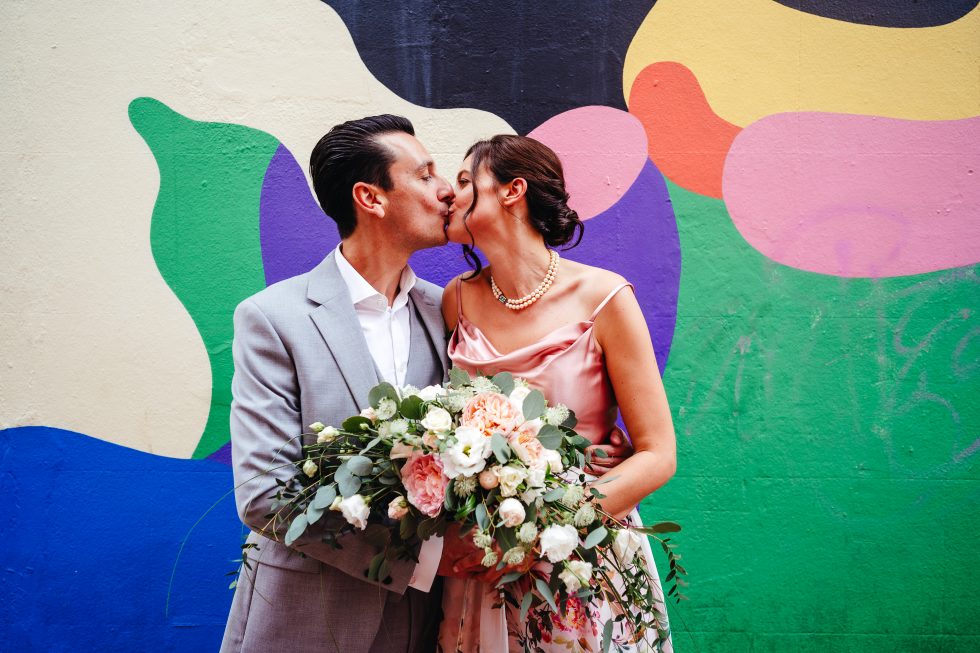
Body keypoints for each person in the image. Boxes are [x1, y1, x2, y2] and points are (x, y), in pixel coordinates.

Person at [220, 114, 455, 653]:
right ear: (371, 198)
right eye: (424, 175)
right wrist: (420, 561)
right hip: (305, 618)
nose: (446, 191)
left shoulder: (450, 313)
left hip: (421, 625)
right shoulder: (273, 318)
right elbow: (264, 496)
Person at [436, 135, 677, 651]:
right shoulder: (455, 300)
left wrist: (545, 531)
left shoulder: (605, 298)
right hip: (486, 561)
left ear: (511, 191)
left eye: (463, 181)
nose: (448, 196)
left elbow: (658, 455)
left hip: (581, 553)